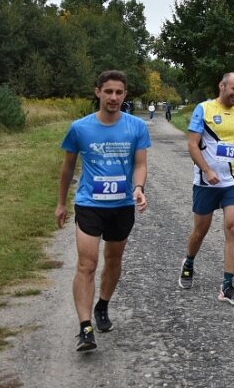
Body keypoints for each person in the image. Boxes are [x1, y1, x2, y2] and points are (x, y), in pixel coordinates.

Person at [54, 70, 151, 352]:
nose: (113, 98)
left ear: (125, 95)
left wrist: (139, 187)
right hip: (89, 204)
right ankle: (85, 328)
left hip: (121, 205)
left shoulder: (136, 127)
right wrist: (61, 203)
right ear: (97, 92)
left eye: (119, 93)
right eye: (108, 91)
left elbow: (141, 164)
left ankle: (103, 306)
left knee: (113, 259)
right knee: (87, 264)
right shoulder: (80, 128)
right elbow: (68, 168)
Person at [177, 72, 234, 306]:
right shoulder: (204, 109)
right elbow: (191, 144)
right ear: (222, 86)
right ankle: (189, 262)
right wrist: (207, 170)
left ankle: (227, 285)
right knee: (200, 231)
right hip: (206, 182)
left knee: (233, 227)